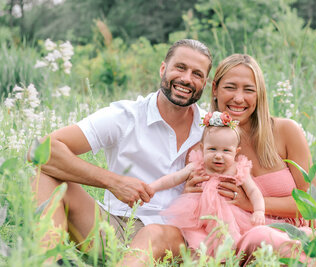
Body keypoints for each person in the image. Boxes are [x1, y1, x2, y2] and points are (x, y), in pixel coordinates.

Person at [30, 39, 212, 265]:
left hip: (173, 236)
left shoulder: (212, 129)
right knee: (45, 176)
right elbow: (39, 150)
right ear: (163, 68)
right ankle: (50, 261)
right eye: (180, 67)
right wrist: (113, 182)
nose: (187, 79)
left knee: (154, 233)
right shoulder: (125, 116)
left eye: (197, 74)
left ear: (205, 83)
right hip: (113, 227)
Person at [182, 53, 316, 264]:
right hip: (236, 241)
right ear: (215, 90)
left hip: (295, 234)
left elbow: (312, 203)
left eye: (248, 90)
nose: (239, 98)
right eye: (230, 87)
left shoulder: (285, 131)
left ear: (259, 95)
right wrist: (189, 193)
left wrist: (250, 203)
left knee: (261, 237)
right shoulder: (203, 151)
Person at [149, 111, 265, 256]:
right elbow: (174, 178)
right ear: (202, 147)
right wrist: (152, 187)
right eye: (212, 149)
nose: (218, 155)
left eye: (226, 151)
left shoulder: (237, 169)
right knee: (196, 243)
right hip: (196, 217)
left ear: (236, 151)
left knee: (229, 243)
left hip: (228, 217)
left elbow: (253, 191)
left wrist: (259, 210)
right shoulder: (198, 164)